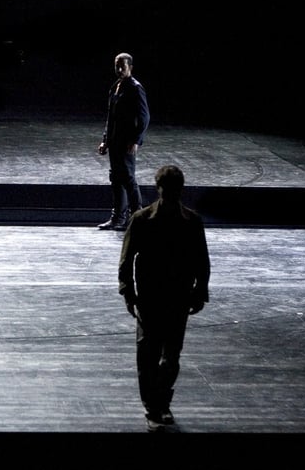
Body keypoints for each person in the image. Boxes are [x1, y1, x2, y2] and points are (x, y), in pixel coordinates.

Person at [117, 164, 211, 432]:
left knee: (169, 356)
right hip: (151, 297)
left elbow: (200, 259)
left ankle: (160, 404)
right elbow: (126, 260)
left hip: (176, 296)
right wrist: (129, 292)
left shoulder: (190, 221)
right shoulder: (143, 220)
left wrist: (199, 291)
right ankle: (154, 406)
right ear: (160, 189)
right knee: (150, 356)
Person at [97, 52, 150, 230]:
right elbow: (110, 118)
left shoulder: (135, 88)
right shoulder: (115, 87)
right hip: (115, 141)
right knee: (116, 178)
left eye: (123, 66)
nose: (119, 69)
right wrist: (105, 141)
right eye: (117, 66)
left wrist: (136, 140)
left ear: (130, 68)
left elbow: (144, 117)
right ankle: (118, 218)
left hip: (127, 141)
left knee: (128, 178)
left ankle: (137, 218)